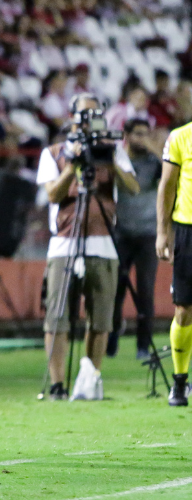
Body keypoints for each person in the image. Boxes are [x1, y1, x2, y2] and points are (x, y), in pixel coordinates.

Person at [37, 93, 139, 401]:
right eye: (84, 115)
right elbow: (53, 195)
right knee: (57, 318)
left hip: (103, 243)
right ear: (71, 117)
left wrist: (110, 161)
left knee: (101, 318)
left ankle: (89, 380)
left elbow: (133, 188)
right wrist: (73, 164)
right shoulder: (54, 152)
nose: (89, 120)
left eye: (95, 114)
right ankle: (57, 385)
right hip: (64, 244)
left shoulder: (113, 149)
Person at [109, 119, 162, 360]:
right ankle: (110, 340)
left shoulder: (154, 162)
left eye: (146, 134)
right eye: (138, 134)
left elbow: (177, 169)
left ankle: (143, 345)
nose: (142, 139)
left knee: (145, 291)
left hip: (148, 233)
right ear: (126, 135)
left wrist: (155, 148)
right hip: (121, 231)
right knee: (115, 289)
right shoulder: (119, 160)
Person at [157, 119, 192, 407]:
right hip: (187, 231)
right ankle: (180, 381)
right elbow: (167, 185)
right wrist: (162, 232)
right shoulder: (181, 137)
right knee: (183, 311)